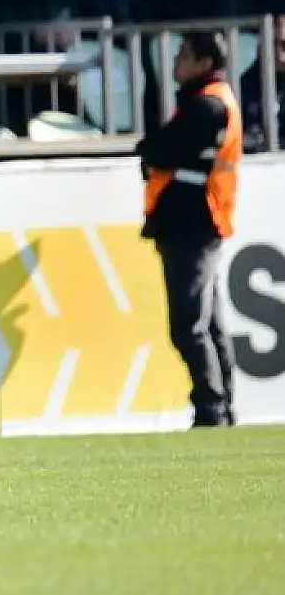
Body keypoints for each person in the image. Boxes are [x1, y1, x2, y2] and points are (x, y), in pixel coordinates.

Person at [138, 30, 240, 428]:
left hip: (195, 223)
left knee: (188, 325)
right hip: (195, 222)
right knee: (208, 323)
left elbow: (164, 148)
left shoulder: (209, 106)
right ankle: (221, 405)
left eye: (183, 55)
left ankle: (212, 407)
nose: (176, 62)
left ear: (204, 62)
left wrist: (151, 150)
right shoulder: (205, 101)